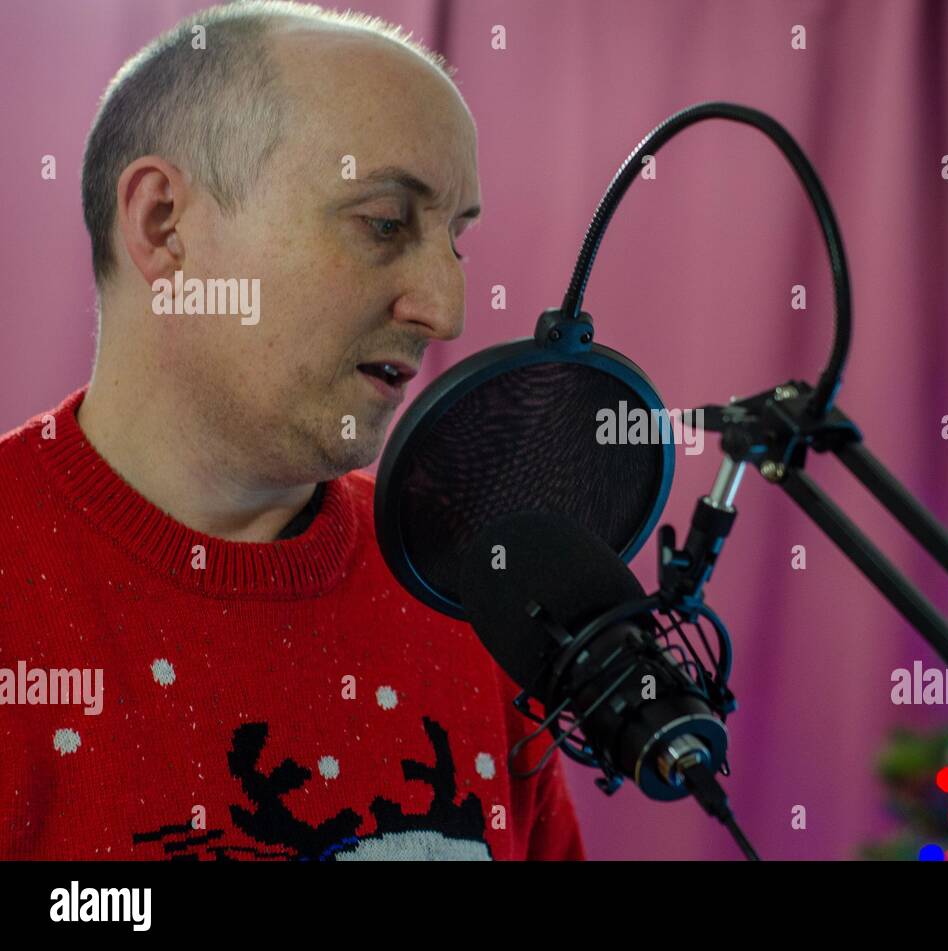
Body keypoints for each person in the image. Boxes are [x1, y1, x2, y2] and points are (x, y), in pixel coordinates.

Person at [0, 0, 585, 861]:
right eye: (385, 224)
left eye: (454, 240)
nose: (445, 309)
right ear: (166, 225)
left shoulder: (466, 585)